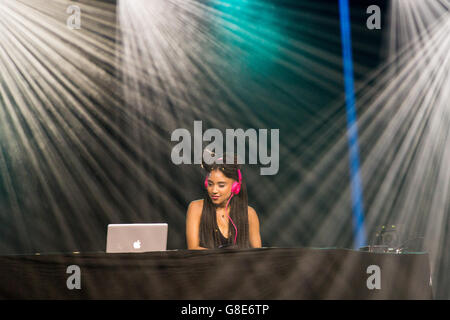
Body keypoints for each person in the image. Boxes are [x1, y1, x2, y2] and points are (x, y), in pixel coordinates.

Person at [186, 154, 262, 249]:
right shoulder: (196, 208)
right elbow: (193, 250)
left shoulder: (249, 214)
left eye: (221, 185)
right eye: (210, 184)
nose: (214, 190)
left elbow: (258, 255)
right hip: (206, 264)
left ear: (235, 187)